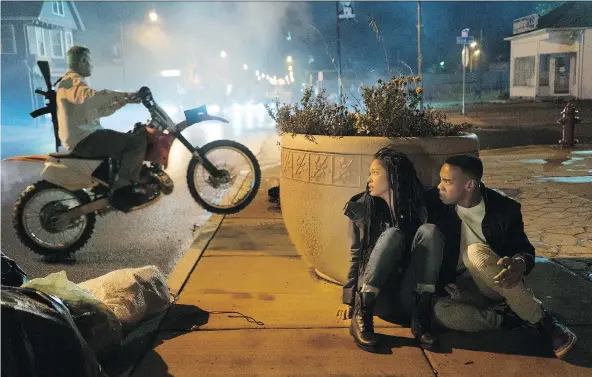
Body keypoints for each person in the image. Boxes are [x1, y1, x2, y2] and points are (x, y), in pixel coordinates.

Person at [425, 154, 577, 359]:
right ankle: (507, 316)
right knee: (439, 312)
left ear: (470, 184)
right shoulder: (436, 204)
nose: (439, 186)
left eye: (447, 181)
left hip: (494, 280)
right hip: (463, 288)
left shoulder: (504, 209)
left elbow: (525, 250)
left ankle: (545, 322)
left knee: (475, 253)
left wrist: (519, 264)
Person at [337, 147, 444, 351]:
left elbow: (435, 253)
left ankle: (421, 317)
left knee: (430, 231)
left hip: (408, 295)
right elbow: (355, 255)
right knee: (393, 234)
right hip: (379, 297)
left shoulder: (423, 206)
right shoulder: (360, 208)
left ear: (394, 178)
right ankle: (362, 314)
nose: (369, 179)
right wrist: (349, 300)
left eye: (375, 173)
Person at [56, 45, 147, 196]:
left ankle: (111, 181)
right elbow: (93, 97)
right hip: (84, 140)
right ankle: (123, 188)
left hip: (84, 136)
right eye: (90, 61)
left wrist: (125, 101)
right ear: (83, 61)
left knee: (125, 138)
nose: (92, 65)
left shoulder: (73, 83)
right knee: (136, 142)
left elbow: (98, 111)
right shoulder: (71, 82)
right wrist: (127, 94)